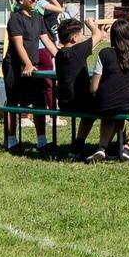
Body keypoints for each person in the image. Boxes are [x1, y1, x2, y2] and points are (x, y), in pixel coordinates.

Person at [89, 19, 129, 162]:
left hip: (106, 104)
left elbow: (94, 87)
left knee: (109, 115)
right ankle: (128, 147)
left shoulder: (104, 53)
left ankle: (102, 147)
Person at [2, 0, 51, 153]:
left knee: (39, 103)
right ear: (22, 0)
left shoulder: (38, 17)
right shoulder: (15, 19)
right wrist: (28, 63)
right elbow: (18, 45)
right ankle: (11, 141)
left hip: (33, 67)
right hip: (14, 67)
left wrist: (62, 57)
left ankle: (42, 142)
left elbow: (46, 40)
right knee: (13, 104)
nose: (36, 1)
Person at [53, 18, 101, 158]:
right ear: (74, 38)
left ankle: (78, 144)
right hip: (80, 102)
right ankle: (85, 144)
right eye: (82, 35)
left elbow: (89, 46)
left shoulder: (60, 54)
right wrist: (91, 25)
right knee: (109, 105)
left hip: (64, 102)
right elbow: (97, 35)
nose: (84, 37)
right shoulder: (77, 51)